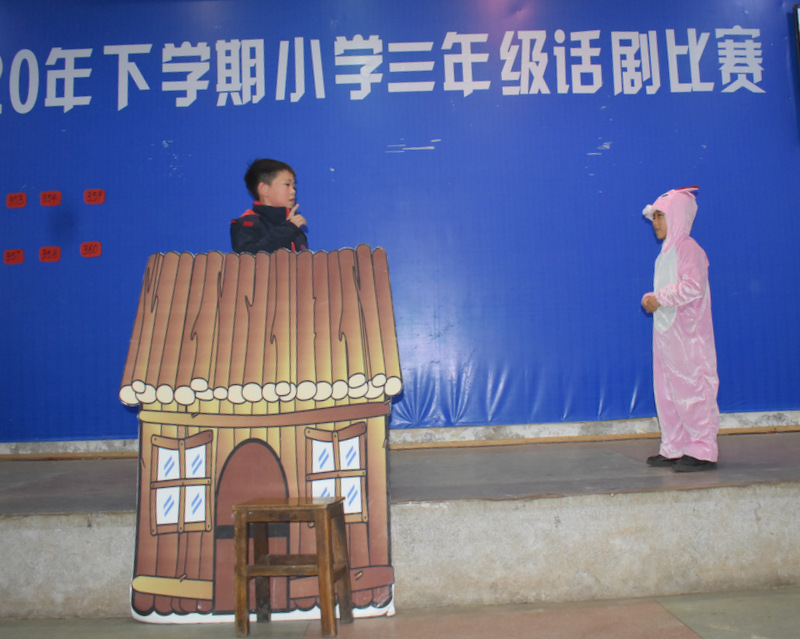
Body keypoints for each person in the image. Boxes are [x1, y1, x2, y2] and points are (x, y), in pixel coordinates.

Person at [641, 186, 720, 472]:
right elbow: (669, 290)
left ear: (677, 216)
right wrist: (652, 298)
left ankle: (702, 449)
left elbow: (693, 287)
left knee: (693, 388)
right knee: (667, 392)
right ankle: (674, 446)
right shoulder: (665, 254)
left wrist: (659, 298)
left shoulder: (689, 249)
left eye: (661, 216)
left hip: (689, 338)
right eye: (654, 217)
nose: (656, 222)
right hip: (667, 336)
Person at [230, 158, 308, 254]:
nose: (293, 191)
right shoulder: (248, 223)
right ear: (264, 189)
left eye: (294, 186)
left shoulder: (294, 224)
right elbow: (249, 256)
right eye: (287, 185)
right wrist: (289, 228)